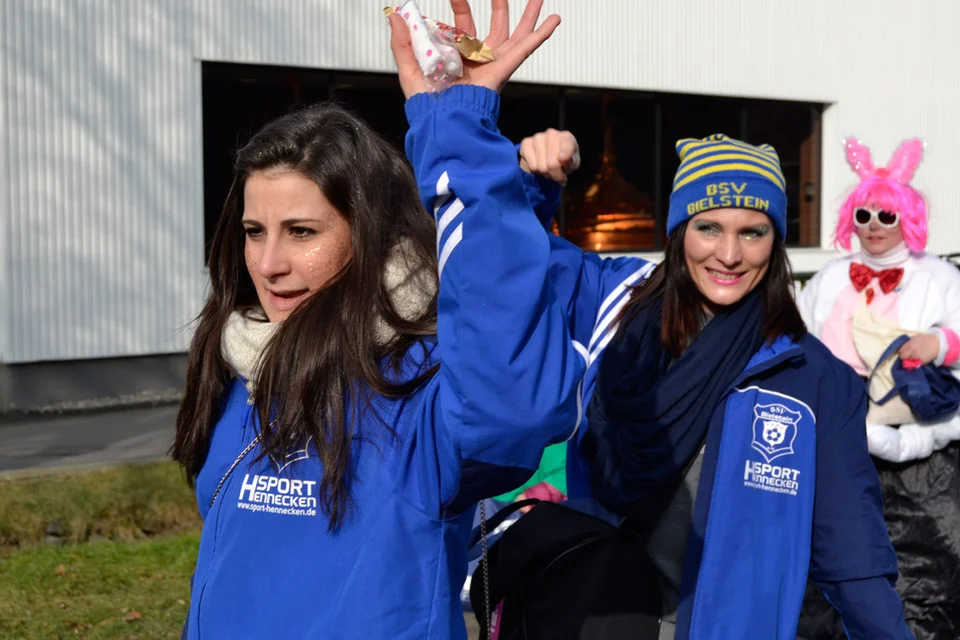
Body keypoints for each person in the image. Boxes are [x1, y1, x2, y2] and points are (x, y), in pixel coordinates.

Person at [170, 1, 584, 637]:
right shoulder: (240, 361)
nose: (270, 262)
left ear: (368, 236)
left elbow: (513, 406)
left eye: (302, 231)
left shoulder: (420, 389)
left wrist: (458, 132)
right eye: (255, 231)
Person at [568, 134, 913, 639]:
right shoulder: (614, 325)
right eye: (708, 227)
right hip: (597, 620)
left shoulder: (814, 378)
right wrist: (532, 187)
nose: (729, 255)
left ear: (776, 243)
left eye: (753, 232)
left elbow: (851, 551)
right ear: (679, 231)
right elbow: (513, 274)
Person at [797, 137, 960, 639]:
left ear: (906, 218)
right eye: (864, 214)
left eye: (886, 216)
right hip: (836, 454)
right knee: (830, 580)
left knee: (924, 588)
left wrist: (937, 344)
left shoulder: (940, 278)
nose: (873, 225)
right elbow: (796, 346)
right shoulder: (828, 278)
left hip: (922, 471)